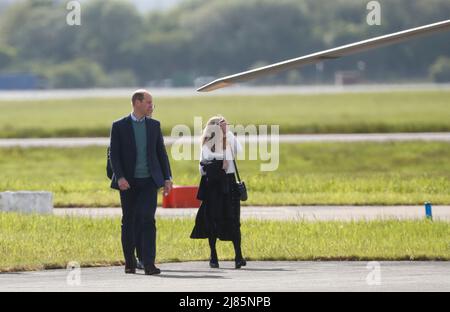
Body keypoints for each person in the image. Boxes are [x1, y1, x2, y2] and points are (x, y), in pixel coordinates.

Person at [109, 89, 172, 275]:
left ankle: (148, 263)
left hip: (149, 181)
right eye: (148, 102)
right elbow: (114, 154)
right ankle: (130, 262)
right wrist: (119, 177)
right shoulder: (119, 126)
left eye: (152, 103)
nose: (151, 106)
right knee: (129, 221)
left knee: (147, 220)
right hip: (127, 182)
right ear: (137, 102)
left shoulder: (154, 125)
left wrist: (167, 177)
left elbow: (161, 152)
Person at [190, 116, 247, 269]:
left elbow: (239, 150)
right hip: (216, 186)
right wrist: (220, 164)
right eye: (223, 125)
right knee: (213, 221)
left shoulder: (228, 141)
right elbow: (203, 167)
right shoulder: (206, 145)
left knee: (233, 220)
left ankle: (238, 256)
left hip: (224, 185)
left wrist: (227, 134)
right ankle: (214, 255)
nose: (226, 127)